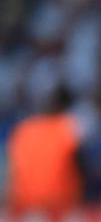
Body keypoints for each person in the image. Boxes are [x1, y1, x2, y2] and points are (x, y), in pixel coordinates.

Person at [6, 85, 86, 213]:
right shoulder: (67, 127)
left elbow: (13, 170)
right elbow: (81, 165)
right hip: (61, 204)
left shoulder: (23, 129)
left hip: (25, 204)